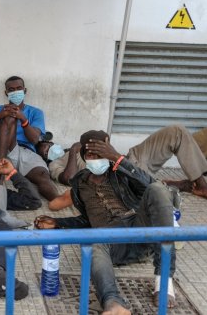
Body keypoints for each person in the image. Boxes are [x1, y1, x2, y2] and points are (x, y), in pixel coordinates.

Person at [34, 130, 178, 314]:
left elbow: (150, 186)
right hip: (109, 240)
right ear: (83, 156)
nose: (96, 158)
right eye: (91, 154)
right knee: (91, 243)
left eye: (101, 153)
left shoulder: (121, 171)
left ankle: (164, 281)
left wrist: (117, 158)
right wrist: (58, 223)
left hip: (138, 229)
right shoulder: (80, 182)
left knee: (158, 189)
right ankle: (112, 302)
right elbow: (87, 220)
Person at [41, 125, 207, 207]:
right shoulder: (59, 162)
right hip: (120, 181)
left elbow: (120, 160)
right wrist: (73, 152)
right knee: (147, 190)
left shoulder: (88, 143)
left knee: (176, 132)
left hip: (130, 159)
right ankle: (169, 185)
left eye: (48, 144)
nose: (49, 149)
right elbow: (68, 179)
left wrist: (109, 150)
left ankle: (200, 183)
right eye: (44, 150)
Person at [0, 76, 67, 205]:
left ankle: (58, 202)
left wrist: (23, 119)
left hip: (26, 151)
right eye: (11, 90)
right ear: (6, 93)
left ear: (25, 90)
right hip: (3, 149)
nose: (15, 92)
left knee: (43, 176)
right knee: (9, 118)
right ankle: (1, 174)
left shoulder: (36, 112)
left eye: (19, 88)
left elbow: (35, 140)